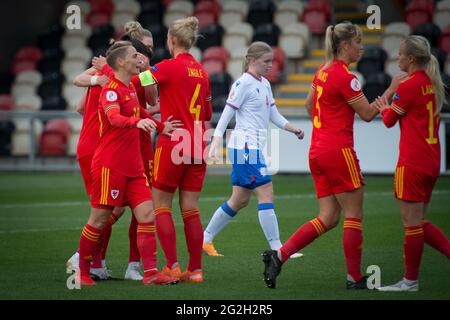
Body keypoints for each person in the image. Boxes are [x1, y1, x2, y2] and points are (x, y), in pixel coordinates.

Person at [261, 21, 396, 289]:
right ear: (345, 45)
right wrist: (391, 89)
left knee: (328, 217)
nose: (361, 47)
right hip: (338, 151)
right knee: (354, 215)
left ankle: (278, 256)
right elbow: (368, 115)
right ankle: (354, 278)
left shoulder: (322, 70)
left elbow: (309, 103)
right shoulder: (347, 77)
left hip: (317, 150)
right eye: (358, 42)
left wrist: (326, 125)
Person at [76, 40, 178, 286]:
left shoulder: (130, 88)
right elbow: (113, 117)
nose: (139, 59)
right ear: (122, 61)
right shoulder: (110, 89)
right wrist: (135, 123)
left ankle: (150, 273)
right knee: (99, 219)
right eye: (135, 56)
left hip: (133, 167)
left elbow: (139, 111)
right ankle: (81, 271)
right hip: (110, 165)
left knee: (146, 215)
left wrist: (161, 126)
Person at [204, 41, 304, 258]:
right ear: (252, 60)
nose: (271, 65)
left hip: (250, 148)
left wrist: (291, 128)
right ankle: (278, 248)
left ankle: (206, 238)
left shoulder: (265, 84)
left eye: (272, 61)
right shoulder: (243, 84)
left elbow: (273, 114)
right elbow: (227, 114)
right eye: (267, 61)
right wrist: (215, 139)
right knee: (266, 191)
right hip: (244, 147)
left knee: (239, 199)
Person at [374, 35, 449, 292]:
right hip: (432, 161)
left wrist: (386, 102)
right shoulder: (432, 83)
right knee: (419, 222)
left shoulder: (407, 86)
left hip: (412, 162)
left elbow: (388, 121)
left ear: (411, 59)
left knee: (411, 224)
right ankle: (411, 279)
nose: (397, 57)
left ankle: (410, 281)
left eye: (401, 54)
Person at [149, 16, 212, 283]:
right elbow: (207, 111)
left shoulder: (167, 67)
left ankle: (172, 266)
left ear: (171, 40)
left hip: (173, 142)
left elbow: (136, 79)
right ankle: (195, 270)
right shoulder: (202, 72)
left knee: (161, 206)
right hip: (197, 143)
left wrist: (141, 66)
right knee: (191, 208)